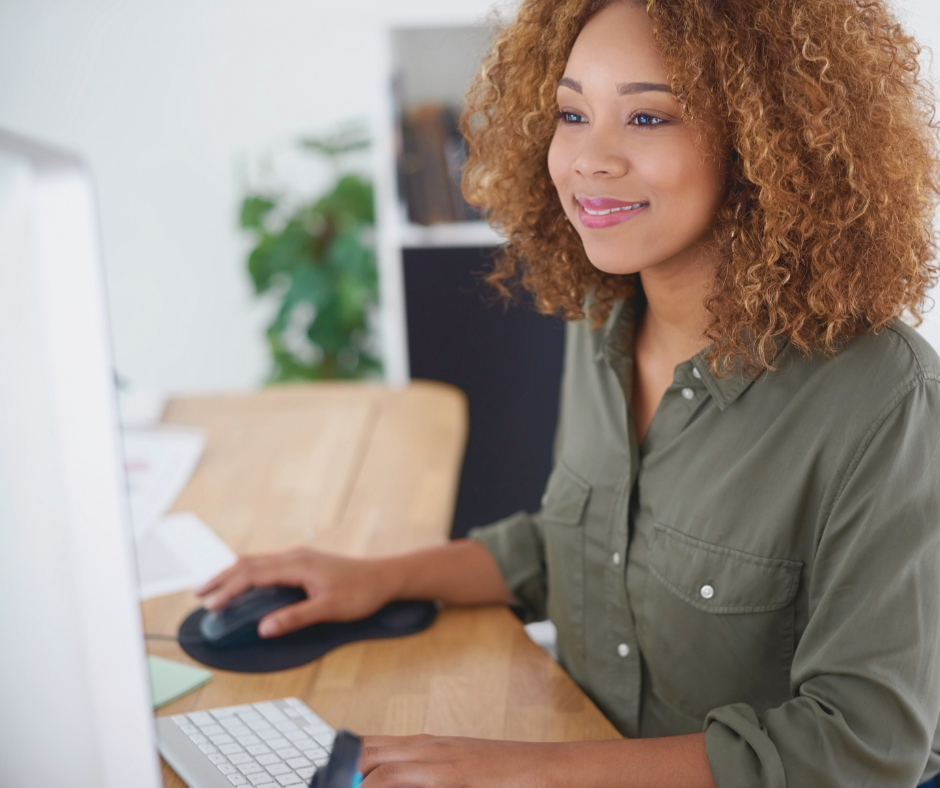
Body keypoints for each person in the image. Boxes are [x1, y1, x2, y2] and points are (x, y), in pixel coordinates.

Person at [197, 0, 940, 785]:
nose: (589, 159)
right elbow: (580, 543)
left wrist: (522, 772)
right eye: (572, 112)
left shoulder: (885, 403)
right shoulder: (606, 315)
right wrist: (380, 577)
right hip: (577, 734)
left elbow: (863, 748)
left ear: (768, 143)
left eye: (649, 118)